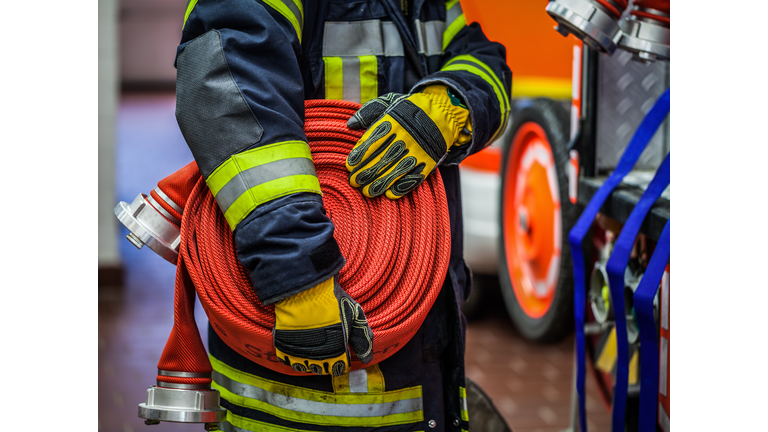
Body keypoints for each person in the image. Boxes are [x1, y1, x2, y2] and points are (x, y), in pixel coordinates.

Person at [174, 0, 510, 430]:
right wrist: (299, 276)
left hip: (416, 346)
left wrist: (447, 102)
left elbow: (484, 58)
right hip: (295, 346)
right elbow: (226, 90)